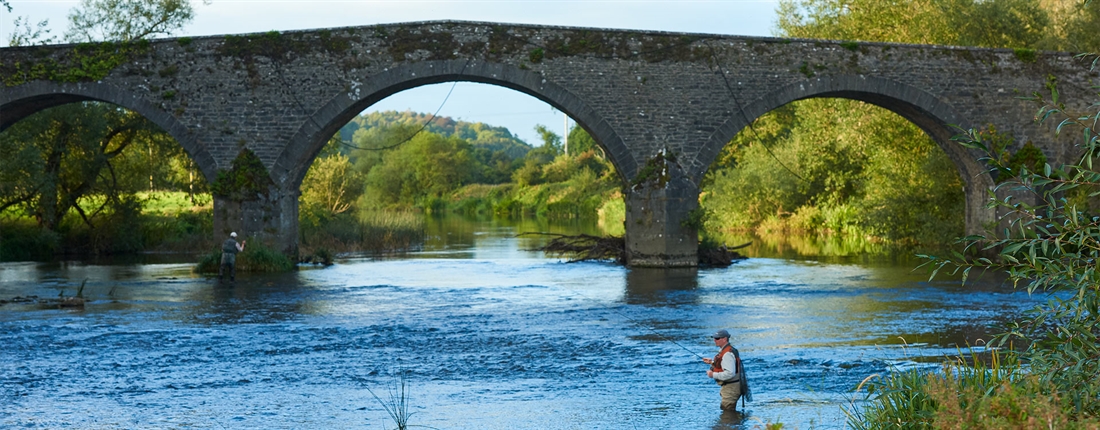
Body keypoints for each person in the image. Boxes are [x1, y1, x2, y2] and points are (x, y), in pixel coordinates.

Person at [702, 329, 744, 411]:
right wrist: (712, 362)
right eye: (714, 338)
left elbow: (730, 373)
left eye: (717, 338)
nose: (714, 340)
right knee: (728, 412)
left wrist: (712, 375)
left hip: (731, 388)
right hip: (731, 386)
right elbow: (727, 365)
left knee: (727, 412)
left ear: (724, 339)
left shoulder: (727, 353)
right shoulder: (728, 350)